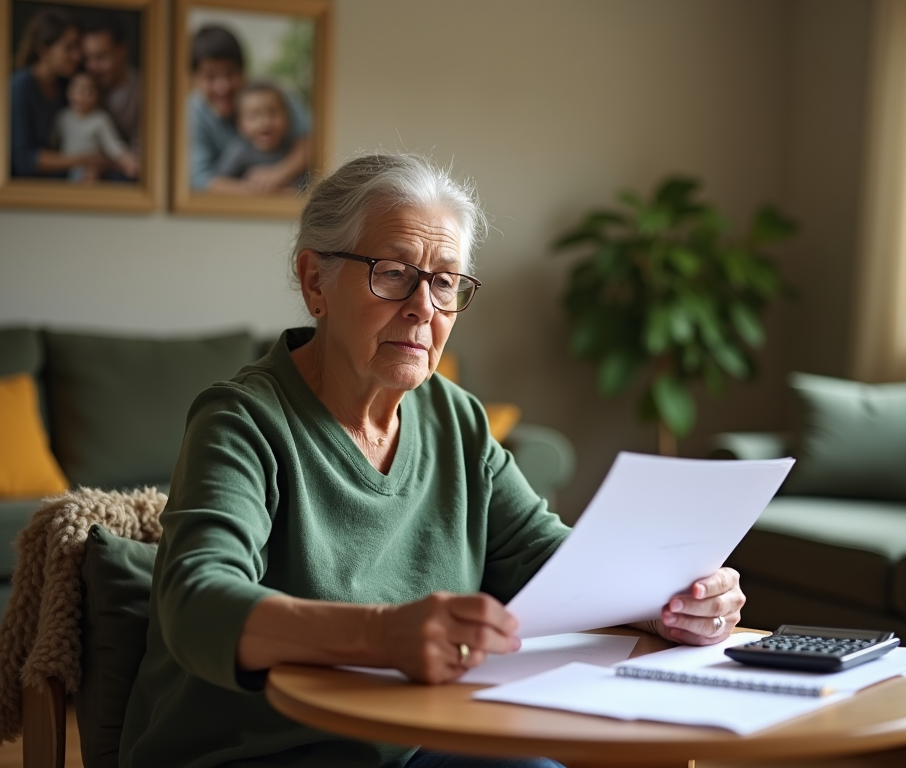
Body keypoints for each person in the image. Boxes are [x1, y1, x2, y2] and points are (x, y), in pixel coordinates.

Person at [118, 153, 746, 768]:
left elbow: (553, 563)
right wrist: (382, 635)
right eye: (392, 272)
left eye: (445, 281)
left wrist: (674, 598)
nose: (423, 306)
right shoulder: (242, 417)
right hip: (258, 751)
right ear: (316, 282)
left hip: (414, 740)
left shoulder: (457, 419)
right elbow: (195, 604)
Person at [188, 24, 310, 193]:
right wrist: (265, 190)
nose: (222, 86)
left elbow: (314, 141)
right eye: (210, 76)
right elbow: (200, 179)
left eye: (230, 73)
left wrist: (278, 174)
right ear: (195, 78)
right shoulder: (193, 113)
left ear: (243, 71)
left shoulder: (274, 94)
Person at [10, 7, 102, 178]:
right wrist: (83, 160)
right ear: (43, 49)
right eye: (69, 48)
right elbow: (22, 160)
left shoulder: (66, 84)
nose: (77, 55)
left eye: (77, 47)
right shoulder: (20, 86)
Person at [211, 81, 305, 192]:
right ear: (240, 124)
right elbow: (217, 184)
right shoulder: (239, 149)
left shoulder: (294, 146)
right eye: (254, 116)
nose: (265, 122)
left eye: (273, 112)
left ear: (287, 117)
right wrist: (254, 188)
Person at [54, 71, 139, 182]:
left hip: (90, 170)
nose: (82, 95)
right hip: (65, 168)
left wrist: (128, 161)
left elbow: (113, 146)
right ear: (69, 92)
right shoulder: (62, 117)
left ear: (97, 95)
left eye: (88, 91)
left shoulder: (100, 119)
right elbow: (54, 142)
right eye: (77, 90)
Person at [81, 10, 142, 154]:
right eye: (87, 58)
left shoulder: (144, 90)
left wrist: (101, 163)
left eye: (101, 57)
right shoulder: (80, 85)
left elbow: (145, 158)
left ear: (122, 50)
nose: (93, 67)